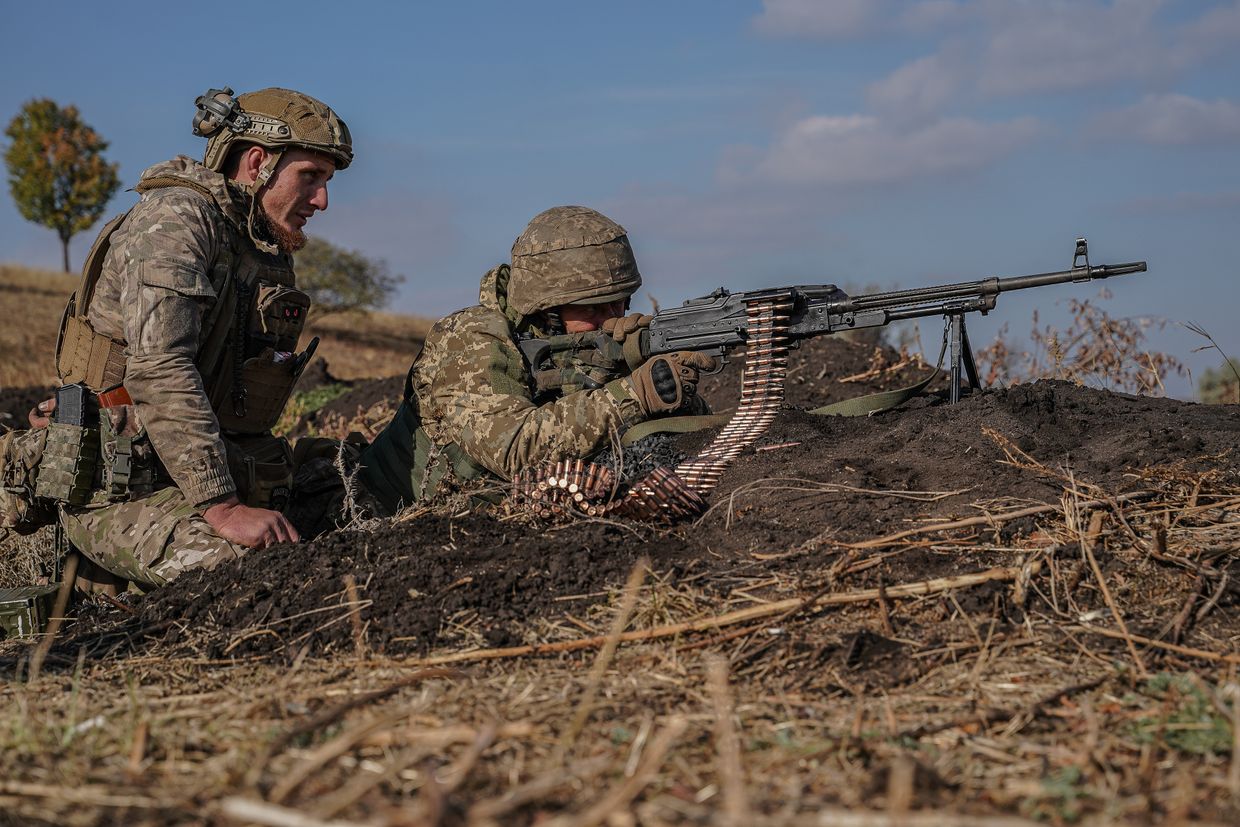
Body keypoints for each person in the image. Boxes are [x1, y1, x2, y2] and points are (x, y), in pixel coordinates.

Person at [1, 86, 353, 587]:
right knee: (253, 576)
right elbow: (159, 367)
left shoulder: (259, 243)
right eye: (310, 177)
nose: (321, 199)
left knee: (365, 495)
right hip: (121, 490)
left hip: (198, 474)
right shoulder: (176, 220)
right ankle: (95, 576)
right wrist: (225, 508)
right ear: (257, 164)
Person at [359, 205, 716, 513]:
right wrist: (633, 393)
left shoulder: (580, 343)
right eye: (593, 307)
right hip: (376, 520)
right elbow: (514, 448)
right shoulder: (470, 338)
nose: (611, 317)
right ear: (546, 309)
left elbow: (683, 440)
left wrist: (650, 371)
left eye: (621, 301)